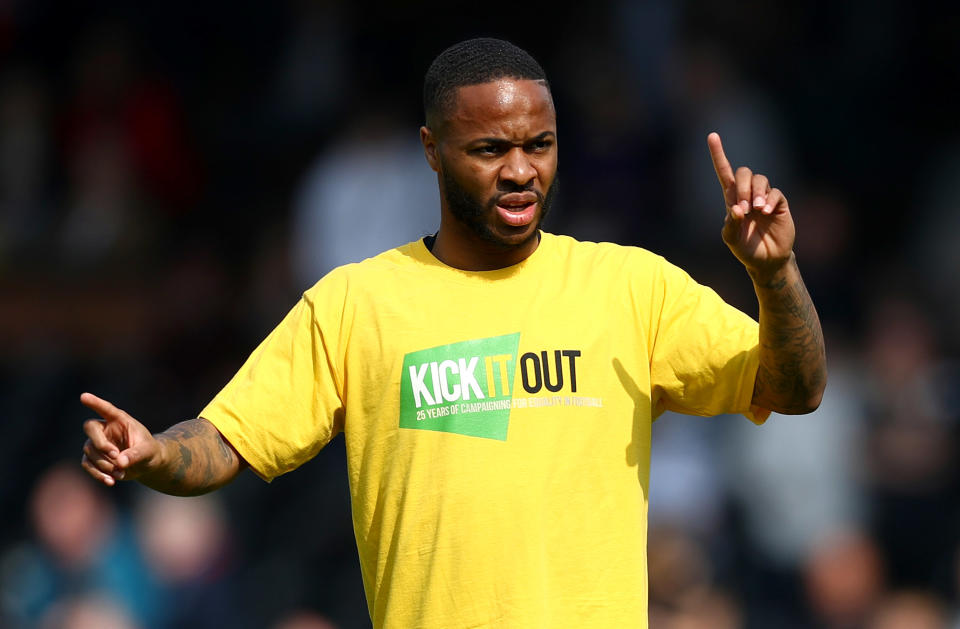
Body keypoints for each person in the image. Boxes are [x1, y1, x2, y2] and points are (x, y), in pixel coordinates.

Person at [80, 37, 826, 628]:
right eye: (490, 149)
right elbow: (225, 441)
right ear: (433, 149)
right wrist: (154, 454)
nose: (521, 170)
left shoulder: (631, 286)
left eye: (539, 143)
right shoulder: (357, 302)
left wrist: (775, 273)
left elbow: (794, 388)